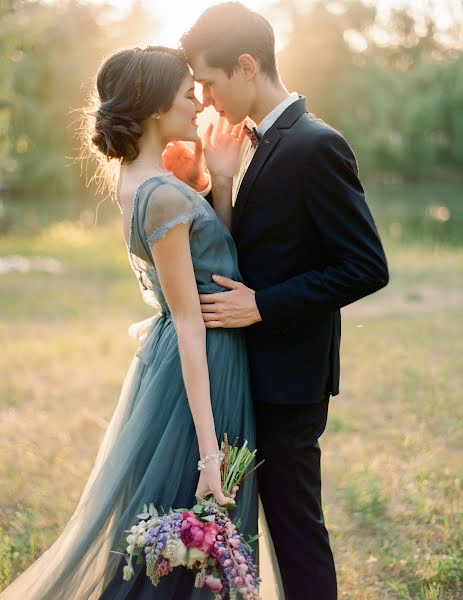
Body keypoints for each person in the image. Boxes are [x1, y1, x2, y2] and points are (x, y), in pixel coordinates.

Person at [0, 46, 257, 600]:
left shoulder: (143, 182)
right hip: (205, 363)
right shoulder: (161, 195)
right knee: (192, 527)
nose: (198, 102)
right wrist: (209, 455)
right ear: (152, 106)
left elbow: (211, 263)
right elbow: (189, 320)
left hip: (194, 356)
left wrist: (220, 180)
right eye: (188, 93)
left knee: (190, 540)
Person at [180, 3, 389, 599]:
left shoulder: (316, 144)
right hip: (259, 371)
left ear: (246, 66)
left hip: (292, 377)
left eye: (210, 82)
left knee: (296, 531)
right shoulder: (253, 142)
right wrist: (221, 181)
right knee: (274, 527)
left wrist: (262, 305)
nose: (205, 98)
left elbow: (365, 267)